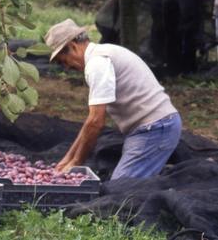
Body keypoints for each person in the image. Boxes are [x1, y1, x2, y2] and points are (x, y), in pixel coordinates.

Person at [45, 19, 182, 180]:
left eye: (63, 61)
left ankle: (155, 171)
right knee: (124, 183)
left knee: (119, 190)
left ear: (73, 46)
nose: (67, 67)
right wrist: (67, 159)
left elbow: (96, 121)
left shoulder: (97, 64)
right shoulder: (102, 53)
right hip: (148, 128)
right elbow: (90, 123)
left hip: (156, 128)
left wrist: (77, 162)